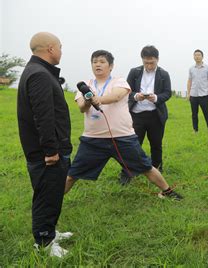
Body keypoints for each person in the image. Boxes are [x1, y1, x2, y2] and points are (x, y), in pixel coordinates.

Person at [65, 50, 182, 201]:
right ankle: (52, 201)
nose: (97, 65)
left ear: (111, 66)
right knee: (72, 175)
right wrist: (88, 100)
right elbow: (82, 107)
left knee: (146, 167)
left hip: (122, 137)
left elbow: (116, 96)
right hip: (93, 139)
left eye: (102, 62)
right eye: (94, 62)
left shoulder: (119, 82)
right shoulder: (85, 86)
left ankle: (167, 191)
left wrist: (97, 99)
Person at [17, 32, 73, 257]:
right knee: (46, 196)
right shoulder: (39, 74)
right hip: (47, 152)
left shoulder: (38, 71)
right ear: (50, 49)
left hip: (49, 149)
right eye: (60, 46)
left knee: (52, 193)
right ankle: (44, 242)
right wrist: (51, 150)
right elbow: (43, 116)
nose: (61, 50)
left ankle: (49, 231)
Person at [118, 45, 171, 185]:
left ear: (157, 60)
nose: (149, 65)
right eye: (146, 62)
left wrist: (157, 98)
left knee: (156, 145)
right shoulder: (134, 72)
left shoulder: (163, 74)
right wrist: (136, 96)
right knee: (133, 145)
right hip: (137, 115)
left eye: (152, 62)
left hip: (155, 115)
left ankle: (157, 170)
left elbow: (167, 92)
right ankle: (127, 173)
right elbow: (127, 90)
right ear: (142, 60)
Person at [187, 49, 208, 133]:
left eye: (199, 55)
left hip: (204, 94)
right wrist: (188, 93)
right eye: (195, 55)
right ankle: (195, 130)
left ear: (202, 57)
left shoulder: (207, 68)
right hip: (193, 94)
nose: (197, 56)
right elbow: (189, 81)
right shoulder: (191, 68)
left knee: (206, 113)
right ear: (193, 57)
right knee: (194, 114)